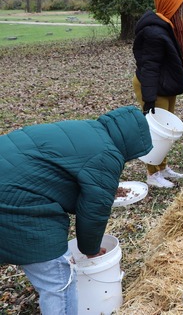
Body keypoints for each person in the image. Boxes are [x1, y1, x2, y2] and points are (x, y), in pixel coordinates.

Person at [0, 106, 152, 315]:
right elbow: (94, 211)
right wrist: (91, 249)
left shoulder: (87, 128)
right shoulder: (108, 154)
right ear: (133, 143)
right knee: (58, 279)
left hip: (8, 175)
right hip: (14, 202)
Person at [133, 0, 183, 188]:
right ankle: (152, 174)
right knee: (156, 131)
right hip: (153, 86)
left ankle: (162, 168)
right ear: (169, 3)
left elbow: (169, 60)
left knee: (166, 130)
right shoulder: (153, 31)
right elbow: (150, 66)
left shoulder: (165, 25)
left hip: (165, 85)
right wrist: (149, 99)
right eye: (180, 4)